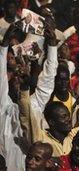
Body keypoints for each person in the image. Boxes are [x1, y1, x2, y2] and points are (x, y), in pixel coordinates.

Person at [18, 68, 79, 157]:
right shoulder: (41, 139)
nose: (68, 119)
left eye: (68, 116)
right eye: (63, 117)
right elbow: (27, 118)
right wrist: (24, 89)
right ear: (52, 122)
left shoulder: (76, 135)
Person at [0, 23, 57, 170]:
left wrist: (52, 47)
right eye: (16, 77)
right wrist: (4, 46)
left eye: (22, 78)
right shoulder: (4, 108)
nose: (18, 80)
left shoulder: (35, 105)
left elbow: (48, 80)